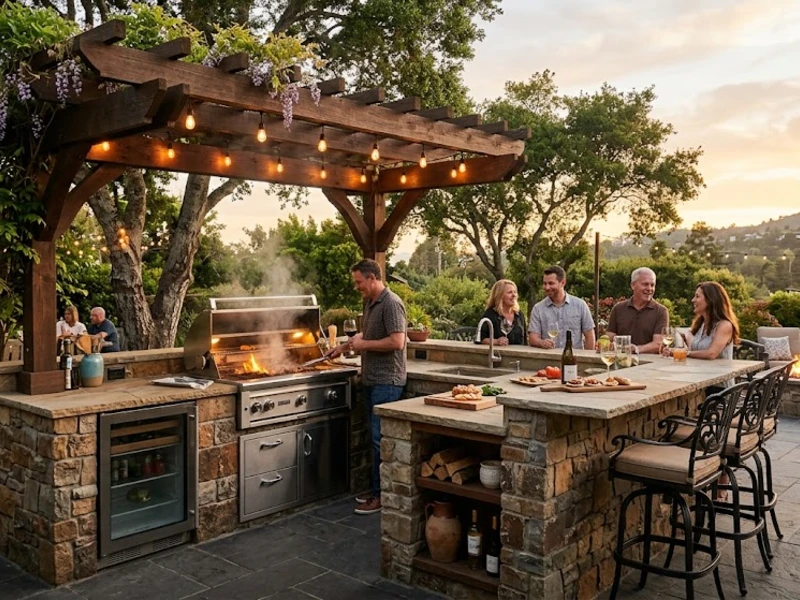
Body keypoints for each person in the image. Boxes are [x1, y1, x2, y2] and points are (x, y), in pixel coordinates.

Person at [330, 259, 406, 515]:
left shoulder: (392, 303)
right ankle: (376, 490)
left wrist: (363, 346)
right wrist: (343, 347)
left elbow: (397, 342)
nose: (357, 287)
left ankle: (381, 496)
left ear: (373, 278)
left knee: (379, 442)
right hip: (372, 380)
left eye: (359, 282)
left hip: (388, 381)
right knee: (374, 440)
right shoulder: (370, 302)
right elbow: (365, 336)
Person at [528, 265, 595, 350]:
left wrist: (587, 360)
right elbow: (533, 338)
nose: (547, 287)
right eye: (545, 283)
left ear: (563, 282)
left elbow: (590, 336)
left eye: (551, 283)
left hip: (574, 359)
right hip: (549, 360)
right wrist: (542, 343)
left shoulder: (580, 305)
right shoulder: (538, 309)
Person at [669, 282, 739, 362]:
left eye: (697, 296)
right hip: (700, 372)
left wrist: (683, 353)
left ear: (710, 300)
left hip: (719, 373)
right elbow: (696, 350)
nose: (693, 300)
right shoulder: (700, 325)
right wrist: (673, 350)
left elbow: (711, 354)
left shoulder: (725, 325)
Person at [605, 267, 669, 354]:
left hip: (648, 364)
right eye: (645, 284)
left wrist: (636, 349)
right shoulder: (618, 308)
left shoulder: (661, 311)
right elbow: (610, 336)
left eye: (652, 285)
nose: (649, 288)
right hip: (621, 361)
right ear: (632, 285)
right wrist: (605, 343)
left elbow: (658, 344)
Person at [478, 279, 527, 346]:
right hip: (498, 354)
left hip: (517, 355)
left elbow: (525, 340)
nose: (514, 295)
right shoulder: (491, 314)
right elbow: (481, 339)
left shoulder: (519, 314)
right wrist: (496, 341)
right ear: (500, 295)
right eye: (510, 292)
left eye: (515, 292)